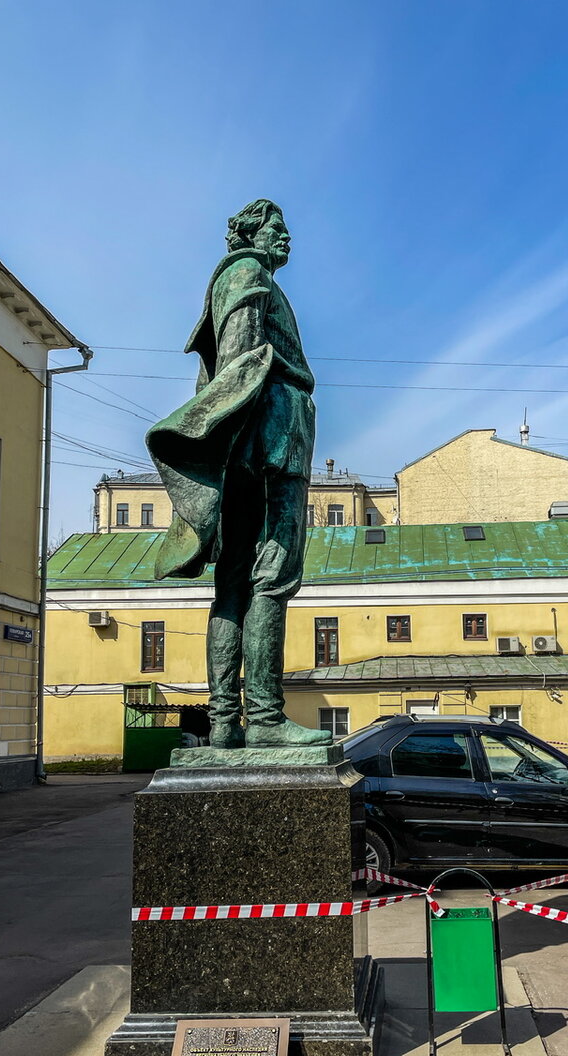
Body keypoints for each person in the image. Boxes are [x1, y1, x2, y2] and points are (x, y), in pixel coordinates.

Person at [146, 200, 331, 749]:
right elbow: (241, 362)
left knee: (232, 585)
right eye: (279, 229)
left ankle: (226, 722)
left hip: (251, 445)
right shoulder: (248, 274)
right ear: (252, 234)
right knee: (273, 575)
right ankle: (267, 718)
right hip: (272, 444)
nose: (287, 238)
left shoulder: (237, 279)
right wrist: (231, 438)